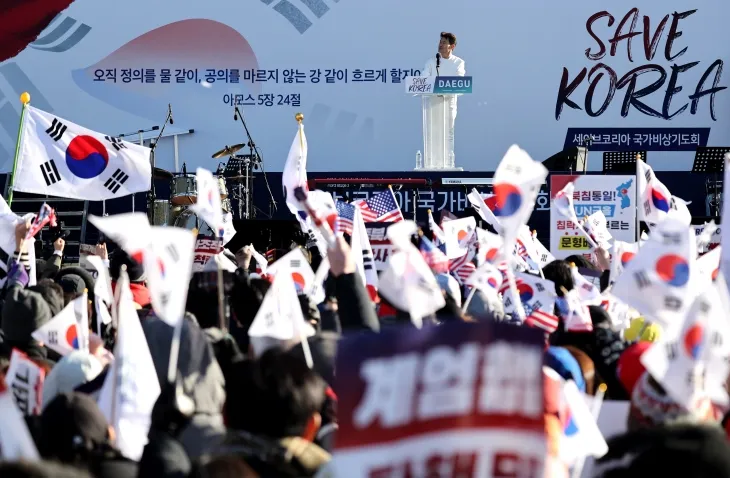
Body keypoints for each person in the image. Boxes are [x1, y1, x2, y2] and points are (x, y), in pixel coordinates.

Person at [422, 32, 466, 163]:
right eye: (440, 42)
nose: (440, 45)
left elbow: (460, 82)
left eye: (444, 42)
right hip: (432, 103)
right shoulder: (431, 62)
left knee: (448, 134)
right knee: (432, 134)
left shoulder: (458, 62)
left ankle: (448, 163)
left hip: (449, 102)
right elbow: (423, 80)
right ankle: (431, 164)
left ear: (452, 46)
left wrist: (443, 88)